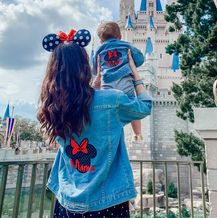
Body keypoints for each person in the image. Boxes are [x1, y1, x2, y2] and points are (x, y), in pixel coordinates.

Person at [37, 28, 152, 218]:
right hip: (108, 203)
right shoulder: (111, 100)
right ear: (85, 67)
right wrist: (135, 75)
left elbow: (81, 105)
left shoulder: (52, 107)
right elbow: (144, 106)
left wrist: (94, 88)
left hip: (68, 203)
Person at [93, 21, 144, 141]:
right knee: (133, 107)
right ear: (120, 36)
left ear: (100, 40)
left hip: (108, 85)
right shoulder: (126, 46)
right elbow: (140, 59)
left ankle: (104, 132)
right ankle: (137, 133)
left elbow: (95, 69)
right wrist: (130, 64)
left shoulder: (99, 50)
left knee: (107, 108)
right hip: (125, 83)